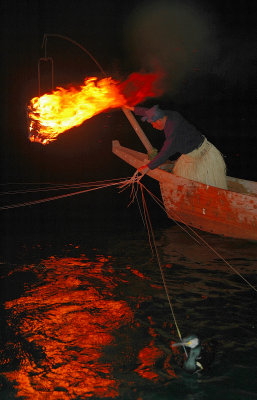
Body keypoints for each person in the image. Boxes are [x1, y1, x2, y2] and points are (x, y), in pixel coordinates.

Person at [126, 104, 227, 190]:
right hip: (191, 155)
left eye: (153, 123)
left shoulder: (173, 132)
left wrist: (147, 167)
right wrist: (129, 107)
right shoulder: (170, 114)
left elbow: (164, 153)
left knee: (207, 186)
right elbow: (147, 111)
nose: (153, 126)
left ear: (159, 120)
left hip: (204, 156)